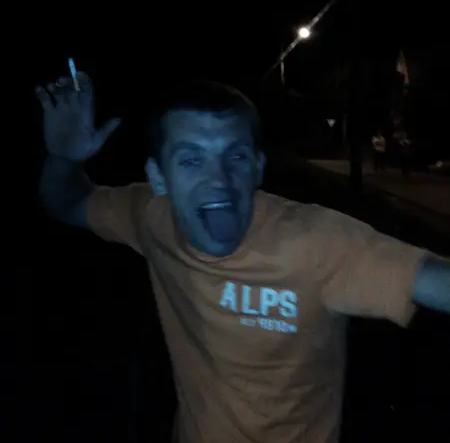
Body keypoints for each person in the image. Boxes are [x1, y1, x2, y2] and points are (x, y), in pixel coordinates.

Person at [36, 73, 449, 443]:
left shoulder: (315, 241)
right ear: (159, 177)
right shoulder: (151, 217)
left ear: (257, 167)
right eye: (191, 159)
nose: (219, 180)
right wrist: (63, 159)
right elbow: (70, 202)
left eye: (235, 156)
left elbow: (435, 282)